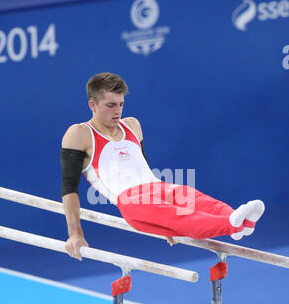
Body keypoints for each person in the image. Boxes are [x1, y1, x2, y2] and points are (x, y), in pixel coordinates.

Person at [60, 72, 265, 260]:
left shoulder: (132, 125)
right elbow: (69, 188)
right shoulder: (80, 134)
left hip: (157, 187)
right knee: (186, 217)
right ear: (92, 105)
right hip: (131, 201)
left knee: (199, 200)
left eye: (121, 104)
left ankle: (241, 222)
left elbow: (142, 166)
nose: (118, 111)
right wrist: (75, 233)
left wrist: (162, 225)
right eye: (111, 105)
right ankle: (230, 225)